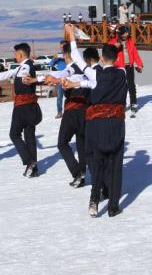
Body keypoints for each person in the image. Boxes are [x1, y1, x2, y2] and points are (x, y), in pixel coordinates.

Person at [64, 24, 127, 218]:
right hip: (116, 123)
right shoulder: (122, 73)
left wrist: (71, 36)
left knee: (97, 162)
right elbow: (94, 82)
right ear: (116, 60)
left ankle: (94, 200)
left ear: (100, 59)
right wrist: (78, 83)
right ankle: (114, 206)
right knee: (115, 163)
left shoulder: (95, 73)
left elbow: (76, 57)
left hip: (97, 124)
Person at [37, 42, 99, 188]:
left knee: (62, 143)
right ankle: (82, 173)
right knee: (81, 143)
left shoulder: (71, 68)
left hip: (73, 111)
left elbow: (62, 74)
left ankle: (78, 173)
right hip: (86, 111)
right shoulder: (88, 69)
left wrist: (56, 80)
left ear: (66, 56)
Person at [0, 43, 43, 177]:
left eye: (16, 54)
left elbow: (25, 77)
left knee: (14, 134)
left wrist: (27, 79)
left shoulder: (26, 66)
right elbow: (6, 74)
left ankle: (29, 162)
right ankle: (33, 168)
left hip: (23, 106)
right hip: (30, 106)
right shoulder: (22, 67)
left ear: (21, 54)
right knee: (29, 136)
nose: (15, 56)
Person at [108, 25, 143, 114]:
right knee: (120, 87)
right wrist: (116, 46)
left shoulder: (130, 42)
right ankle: (120, 105)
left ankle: (134, 104)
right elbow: (109, 52)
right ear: (120, 33)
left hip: (129, 66)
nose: (127, 34)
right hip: (119, 67)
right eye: (125, 32)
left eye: (128, 32)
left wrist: (139, 65)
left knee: (131, 85)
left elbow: (135, 53)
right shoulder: (113, 41)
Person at [49, 46, 67, 119]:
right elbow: (50, 64)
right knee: (59, 97)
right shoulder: (58, 56)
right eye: (61, 47)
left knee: (70, 96)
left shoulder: (70, 55)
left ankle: (68, 111)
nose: (62, 48)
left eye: (63, 47)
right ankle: (59, 112)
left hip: (69, 79)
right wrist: (54, 58)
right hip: (59, 80)